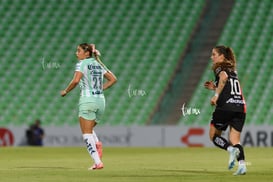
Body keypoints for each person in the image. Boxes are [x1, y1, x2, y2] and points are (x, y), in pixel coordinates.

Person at [60, 43, 117, 170]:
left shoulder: (82, 63)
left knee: (86, 133)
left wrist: (66, 91)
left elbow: (75, 81)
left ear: (87, 53)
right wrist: (101, 88)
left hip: (87, 100)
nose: (76, 53)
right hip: (101, 101)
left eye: (79, 50)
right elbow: (113, 79)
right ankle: (97, 144)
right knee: (90, 129)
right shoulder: (98, 63)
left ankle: (98, 162)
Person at [204, 45, 247, 175]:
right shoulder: (233, 70)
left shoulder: (219, 67)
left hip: (226, 107)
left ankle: (230, 150)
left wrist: (216, 96)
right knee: (235, 140)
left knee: (213, 136)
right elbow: (231, 86)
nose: (212, 57)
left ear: (222, 56)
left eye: (214, 54)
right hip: (240, 106)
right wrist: (215, 87)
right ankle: (242, 166)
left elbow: (223, 78)